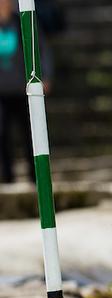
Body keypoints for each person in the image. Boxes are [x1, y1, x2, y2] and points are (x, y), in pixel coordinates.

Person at [0, 0, 51, 184]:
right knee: (2, 134)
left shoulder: (23, 20)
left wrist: (45, 75)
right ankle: (7, 178)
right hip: (2, 92)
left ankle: (34, 177)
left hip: (24, 89)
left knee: (30, 134)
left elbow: (41, 48)